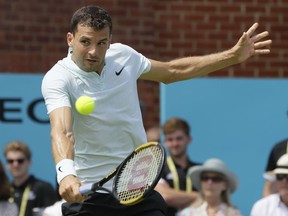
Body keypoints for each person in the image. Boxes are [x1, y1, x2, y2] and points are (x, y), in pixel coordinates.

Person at [41, 5, 271, 216]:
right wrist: (66, 173)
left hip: (136, 188)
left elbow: (172, 71)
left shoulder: (124, 57)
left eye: (101, 43)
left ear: (110, 41)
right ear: (70, 39)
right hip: (89, 197)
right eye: (85, 42)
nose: (93, 51)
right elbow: (61, 130)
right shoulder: (58, 79)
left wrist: (232, 56)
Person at [155, 117, 201, 215]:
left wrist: (176, 196)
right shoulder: (158, 168)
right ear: (165, 142)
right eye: (170, 139)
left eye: (179, 138)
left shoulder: (200, 170)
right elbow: (165, 196)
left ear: (188, 139)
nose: (175, 144)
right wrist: (200, 196)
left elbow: (215, 199)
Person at [3, 141, 57, 216]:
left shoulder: (43, 188)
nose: (15, 164)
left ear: (29, 162)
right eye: (10, 161)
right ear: (6, 164)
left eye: (20, 161)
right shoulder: (5, 192)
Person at [178, 158, 242, 216]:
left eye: (216, 179)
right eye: (205, 178)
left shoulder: (234, 214)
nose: (209, 182)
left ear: (225, 185)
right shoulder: (187, 214)